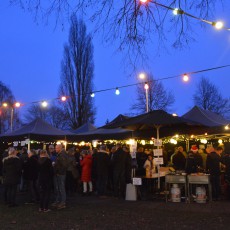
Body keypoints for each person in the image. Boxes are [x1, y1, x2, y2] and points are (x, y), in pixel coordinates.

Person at [53, 144, 68, 209]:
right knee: (59, 188)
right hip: (60, 173)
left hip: (61, 174)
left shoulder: (62, 155)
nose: (55, 149)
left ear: (60, 148)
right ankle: (59, 201)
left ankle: (62, 202)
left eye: (56, 148)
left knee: (61, 188)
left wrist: (58, 171)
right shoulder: (61, 154)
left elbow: (64, 165)